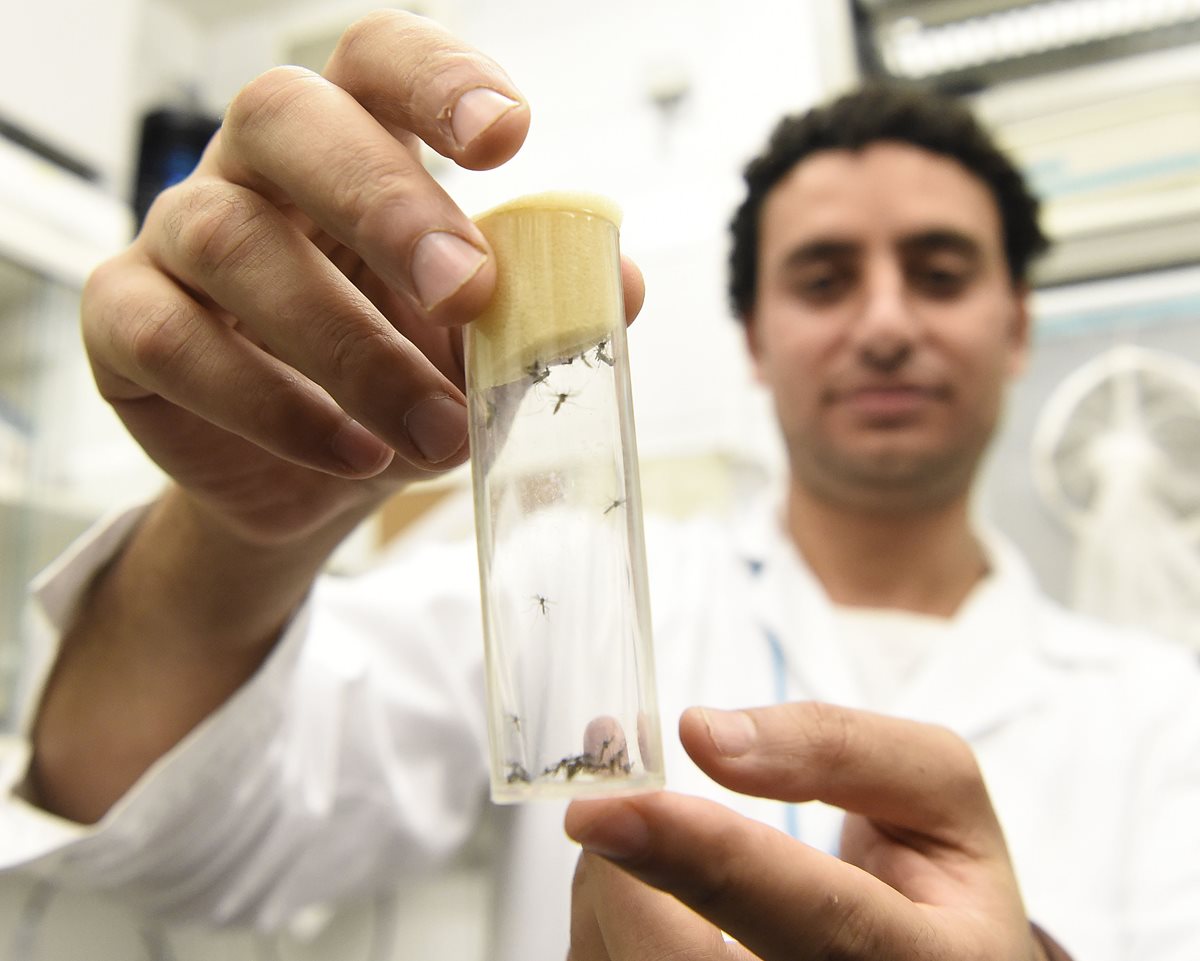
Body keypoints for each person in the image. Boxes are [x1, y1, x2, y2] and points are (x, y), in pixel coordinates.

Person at [2, 9, 1197, 961]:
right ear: (753, 339)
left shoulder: (1164, 716)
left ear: (1018, 327)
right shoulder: (562, 572)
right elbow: (160, 835)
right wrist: (237, 532)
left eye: (937, 272)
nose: (885, 323)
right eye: (826, 278)